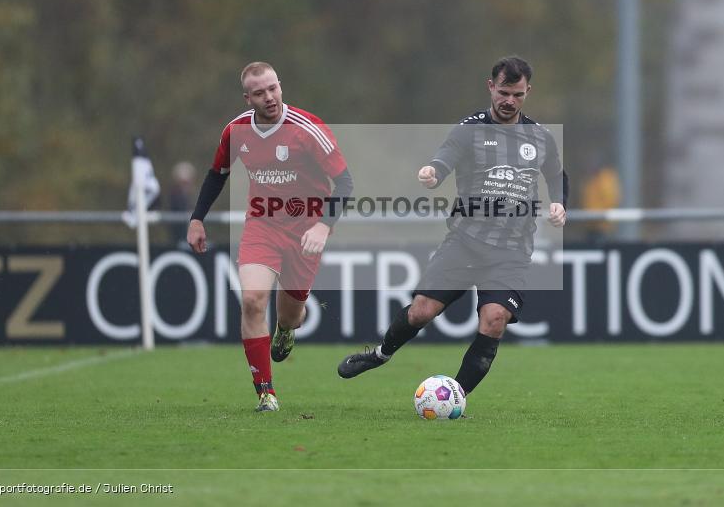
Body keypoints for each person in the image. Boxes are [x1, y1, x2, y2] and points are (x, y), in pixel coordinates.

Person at [337, 56, 567, 401]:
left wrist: (559, 202)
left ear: (527, 92)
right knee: (421, 312)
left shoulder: (540, 137)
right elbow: (444, 158)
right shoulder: (469, 130)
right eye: (504, 92)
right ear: (491, 87)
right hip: (465, 243)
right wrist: (433, 172)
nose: (509, 101)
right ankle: (380, 354)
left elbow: (556, 175)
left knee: (495, 319)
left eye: (517, 95)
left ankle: (455, 397)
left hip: (512, 251)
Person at [188, 62, 353, 412]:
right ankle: (266, 392)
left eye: (273, 88)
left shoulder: (308, 128)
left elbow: (345, 183)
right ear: (247, 98)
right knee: (252, 300)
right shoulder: (236, 131)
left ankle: (286, 329)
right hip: (262, 225)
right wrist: (197, 219)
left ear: (280, 86)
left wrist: (323, 225)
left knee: (291, 316)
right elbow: (217, 173)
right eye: (259, 92)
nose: (269, 97)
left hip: (305, 231)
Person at [169, 161, 196, 248]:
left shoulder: (191, 196)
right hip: (180, 239)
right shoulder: (175, 196)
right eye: (184, 182)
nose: (187, 185)